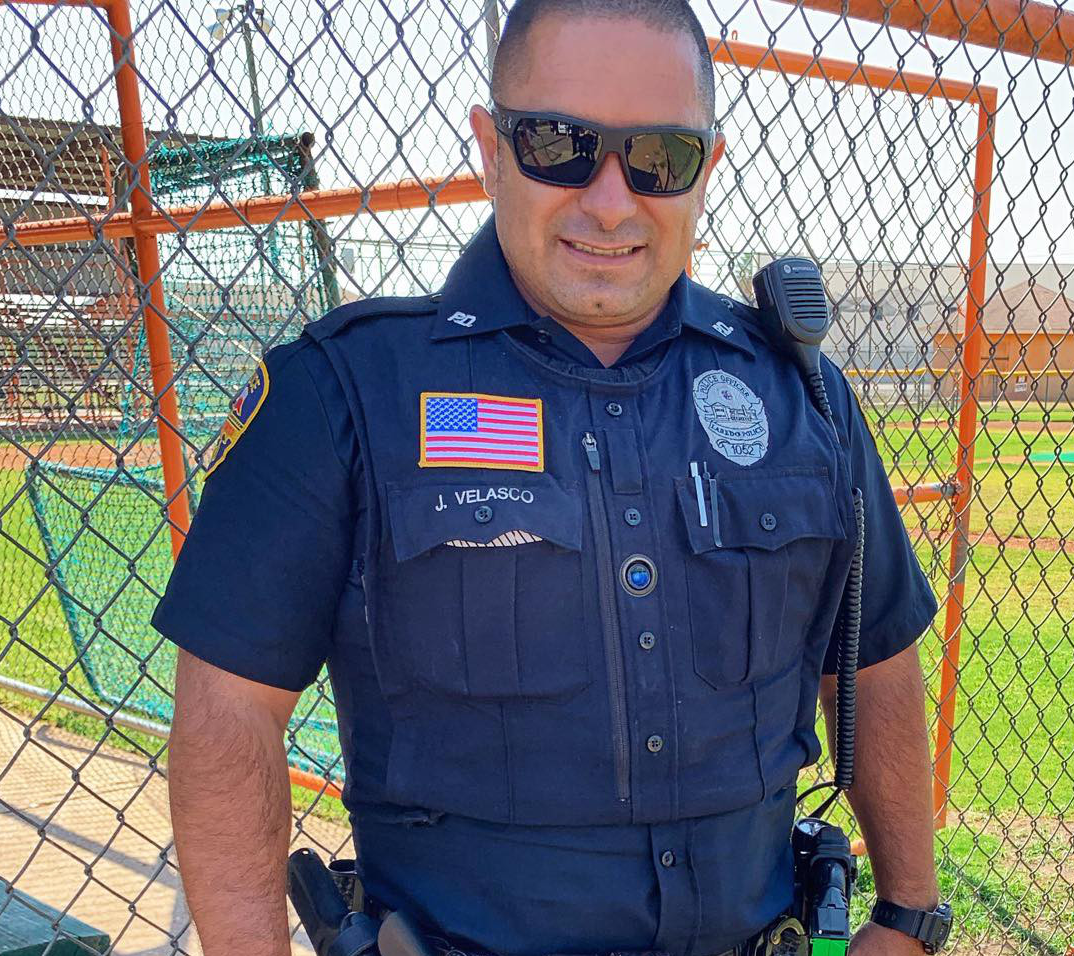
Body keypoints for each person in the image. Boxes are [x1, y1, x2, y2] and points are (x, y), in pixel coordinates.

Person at [153, 2, 947, 955]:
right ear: (490, 149)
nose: (610, 202)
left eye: (658, 158)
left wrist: (907, 913)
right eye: (560, 145)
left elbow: (872, 650)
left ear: (707, 169)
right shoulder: (345, 394)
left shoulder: (796, 393)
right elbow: (229, 706)